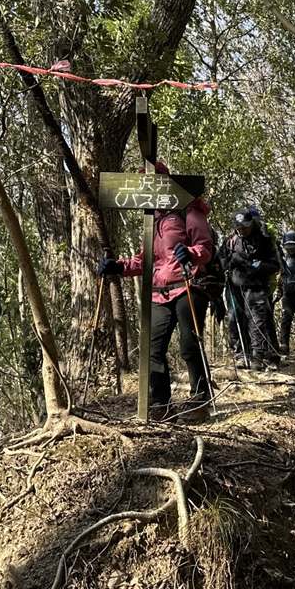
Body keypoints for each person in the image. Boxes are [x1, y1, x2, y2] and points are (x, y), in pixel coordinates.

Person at [99, 179, 215, 422]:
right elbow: (145, 260)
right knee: (153, 349)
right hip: (158, 293)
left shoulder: (188, 210)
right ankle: (162, 405)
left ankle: (200, 400)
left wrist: (190, 253)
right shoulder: (151, 220)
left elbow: (205, 248)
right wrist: (118, 267)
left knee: (189, 345)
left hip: (188, 286)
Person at [220, 208, 281, 370]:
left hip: (257, 286)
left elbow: (276, 265)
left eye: (245, 227)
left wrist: (259, 266)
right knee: (235, 319)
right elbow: (220, 261)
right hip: (234, 287)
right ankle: (240, 355)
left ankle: (258, 356)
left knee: (257, 321)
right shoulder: (230, 241)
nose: (242, 230)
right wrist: (228, 263)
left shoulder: (264, 239)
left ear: (251, 224)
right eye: (238, 227)